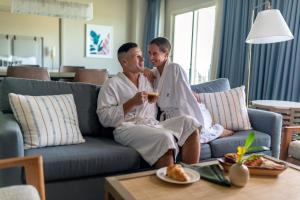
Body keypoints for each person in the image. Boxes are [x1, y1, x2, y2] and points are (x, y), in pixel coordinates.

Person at [96, 42, 200, 168]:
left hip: (152, 124)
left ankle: (191, 175)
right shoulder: (111, 84)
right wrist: (131, 103)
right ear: (124, 62)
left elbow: (166, 84)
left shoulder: (147, 79)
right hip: (127, 128)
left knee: (191, 124)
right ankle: (170, 183)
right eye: (137, 56)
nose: (143, 58)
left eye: (141, 55)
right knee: (165, 137)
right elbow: (104, 117)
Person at [147, 37, 233, 143]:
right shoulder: (153, 73)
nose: (151, 57)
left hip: (186, 113)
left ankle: (218, 130)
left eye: (155, 53)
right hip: (167, 118)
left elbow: (185, 99)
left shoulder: (174, 68)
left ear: (166, 53)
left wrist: (193, 125)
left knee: (196, 136)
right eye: (149, 53)